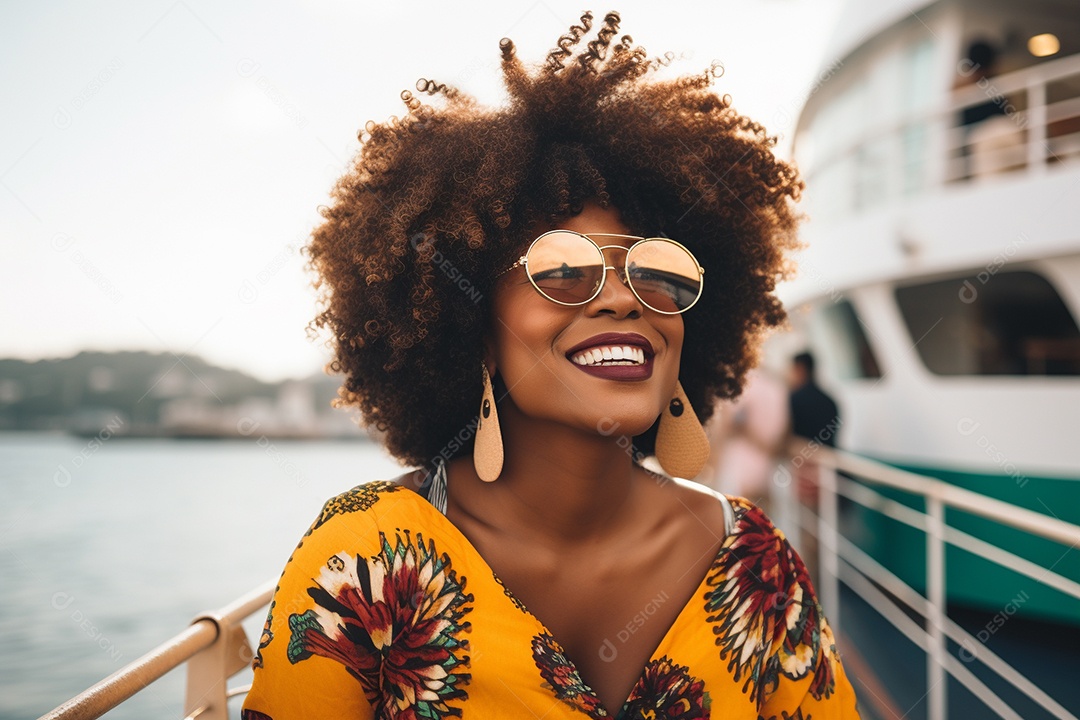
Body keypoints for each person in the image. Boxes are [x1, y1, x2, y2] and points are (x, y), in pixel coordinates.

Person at [242, 12, 860, 719]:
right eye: (563, 268)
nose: (625, 299)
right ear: (472, 322)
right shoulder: (364, 561)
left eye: (656, 271)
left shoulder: (754, 560)